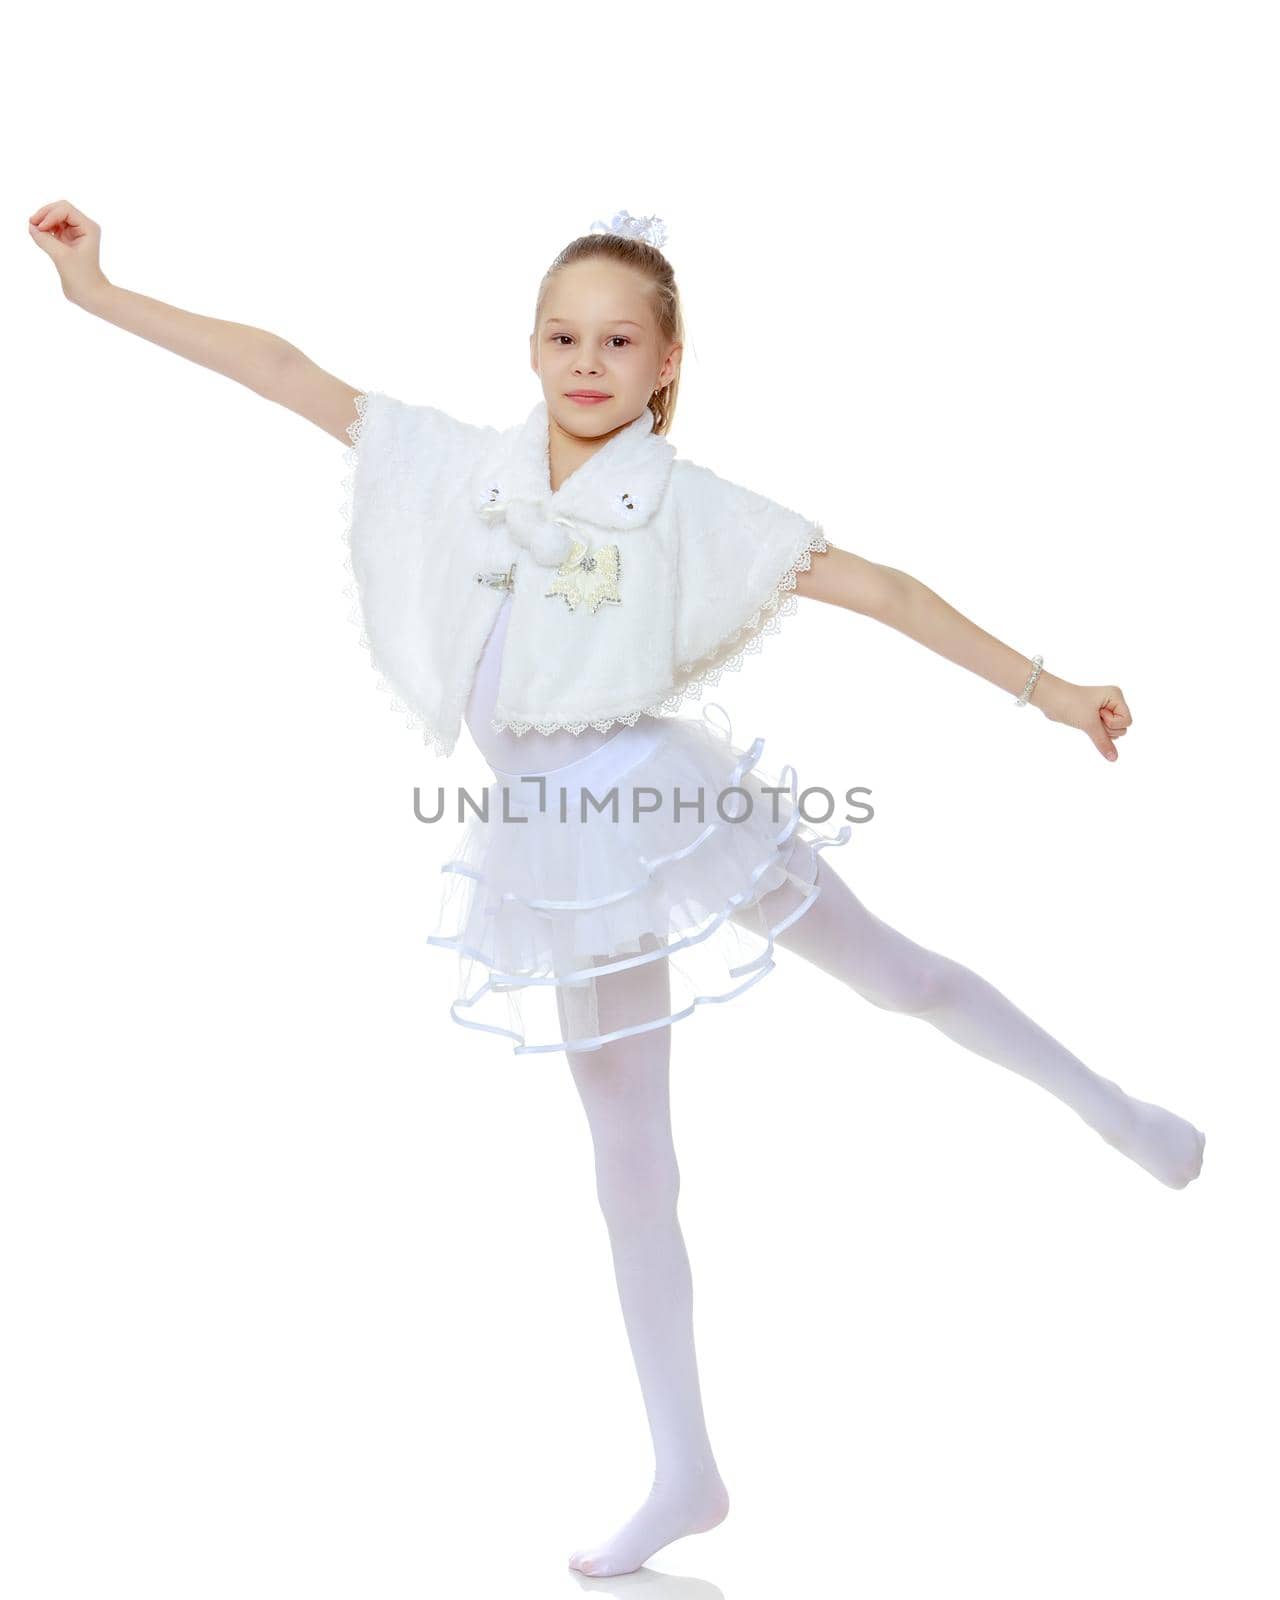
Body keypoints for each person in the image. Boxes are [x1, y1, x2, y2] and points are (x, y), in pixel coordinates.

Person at [29, 199, 1207, 1579]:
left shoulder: (684, 505)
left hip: (660, 799)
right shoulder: (463, 468)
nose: (586, 362)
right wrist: (100, 295)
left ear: (665, 361)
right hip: (552, 845)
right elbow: (290, 374)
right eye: (562, 336)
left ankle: (1123, 1115)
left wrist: (1053, 690)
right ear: (531, 347)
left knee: (901, 976)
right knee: (629, 1164)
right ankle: (686, 1467)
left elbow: (880, 587)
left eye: (618, 341)